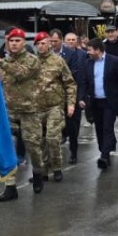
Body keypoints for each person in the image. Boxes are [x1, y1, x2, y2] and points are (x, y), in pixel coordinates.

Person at [0, 28, 41, 201]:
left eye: (17, 41)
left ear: (24, 43)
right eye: (11, 41)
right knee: (7, 148)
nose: (14, 44)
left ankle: (37, 173)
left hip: (29, 111)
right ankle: (10, 186)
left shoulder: (32, 60)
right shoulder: (5, 61)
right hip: (9, 111)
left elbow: (20, 74)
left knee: (33, 146)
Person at [33, 31, 78, 185]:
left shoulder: (58, 61)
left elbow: (70, 83)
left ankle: (57, 168)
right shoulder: (31, 62)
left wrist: (71, 103)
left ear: (49, 44)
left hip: (55, 106)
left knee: (52, 137)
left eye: (43, 43)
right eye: (38, 43)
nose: (41, 46)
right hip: (37, 108)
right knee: (39, 141)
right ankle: (42, 171)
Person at [81, 38, 118, 170]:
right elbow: (84, 82)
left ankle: (104, 155)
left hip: (110, 101)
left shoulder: (114, 61)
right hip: (95, 101)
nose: (88, 53)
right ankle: (104, 149)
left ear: (98, 50)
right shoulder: (88, 63)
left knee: (107, 127)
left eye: (90, 50)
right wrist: (81, 98)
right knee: (99, 128)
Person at [60, 32, 90, 163]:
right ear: (64, 41)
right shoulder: (60, 56)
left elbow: (84, 78)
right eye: (68, 40)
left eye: (73, 39)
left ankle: (74, 151)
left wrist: (82, 97)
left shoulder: (83, 55)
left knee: (74, 124)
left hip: (77, 94)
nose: (71, 42)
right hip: (60, 95)